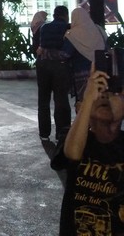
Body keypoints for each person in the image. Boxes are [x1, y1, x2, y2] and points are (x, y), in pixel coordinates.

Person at [52, 68, 124, 235]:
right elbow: (72, 153)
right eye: (99, 92)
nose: (105, 96)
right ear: (80, 108)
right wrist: (88, 99)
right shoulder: (72, 137)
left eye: (114, 92)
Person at [36, 5, 71, 142]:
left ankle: (44, 133)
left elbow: (41, 46)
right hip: (60, 66)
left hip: (43, 65)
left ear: (54, 15)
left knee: (43, 100)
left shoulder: (44, 27)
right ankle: (61, 133)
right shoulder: (67, 28)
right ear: (65, 16)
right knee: (61, 99)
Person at [63, 7, 108, 107]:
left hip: (81, 73)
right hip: (99, 71)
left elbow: (66, 54)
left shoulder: (72, 34)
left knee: (84, 101)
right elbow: (106, 46)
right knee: (99, 100)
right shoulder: (98, 29)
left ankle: (85, 116)